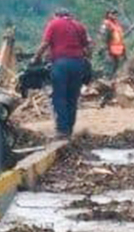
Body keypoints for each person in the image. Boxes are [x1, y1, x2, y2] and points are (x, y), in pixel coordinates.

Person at [35, 8, 91, 140]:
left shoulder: (53, 24)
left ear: (56, 15)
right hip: (78, 64)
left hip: (61, 64)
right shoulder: (79, 26)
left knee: (59, 96)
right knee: (72, 97)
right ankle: (69, 129)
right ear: (69, 15)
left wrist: (36, 58)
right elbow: (87, 46)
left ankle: (62, 130)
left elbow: (45, 43)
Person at [99, 10, 126, 80]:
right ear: (108, 14)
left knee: (116, 70)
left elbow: (120, 39)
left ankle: (113, 83)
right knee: (108, 68)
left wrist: (124, 51)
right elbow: (103, 39)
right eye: (112, 14)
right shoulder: (106, 25)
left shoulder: (117, 25)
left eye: (115, 14)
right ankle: (105, 82)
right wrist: (106, 51)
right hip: (109, 51)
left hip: (117, 51)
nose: (114, 16)